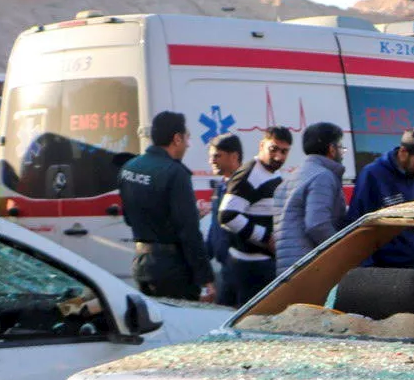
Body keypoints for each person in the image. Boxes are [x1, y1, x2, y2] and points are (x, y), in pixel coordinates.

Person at [118, 111, 214, 301]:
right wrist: (206, 278)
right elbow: (189, 232)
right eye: (187, 138)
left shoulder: (130, 166)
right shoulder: (175, 173)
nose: (187, 144)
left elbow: (130, 218)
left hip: (142, 263)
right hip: (172, 269)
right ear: (177, 138)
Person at [216, 126, 291, 306]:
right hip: (248, 267)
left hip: (260, 264)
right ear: (262, 145)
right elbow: (227, 215)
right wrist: (266, 238)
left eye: (284, 151)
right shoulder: (249, 174)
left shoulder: (272, 172)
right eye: (273, 149)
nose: (279, 156)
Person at [348, 127, 414, 270]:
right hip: (384, 267)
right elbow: (356, 223)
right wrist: (367, 268)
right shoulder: (373, 175)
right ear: (403, 152)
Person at [274, 122, 347, 277]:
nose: (341, 152)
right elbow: (317, 224)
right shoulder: (322, 176)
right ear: (331, 149)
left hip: (287, 269)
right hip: (310, 268)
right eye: (340, 147)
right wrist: (341, 250)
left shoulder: (289, 180)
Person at [204, 132, 242, 298]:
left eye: (217, 156)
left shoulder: (243, 186)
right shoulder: (221, 187)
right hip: (225, 269)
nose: (211, 161)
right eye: (211, 156)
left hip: (240, 268)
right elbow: (215, 229)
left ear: (234, 156)